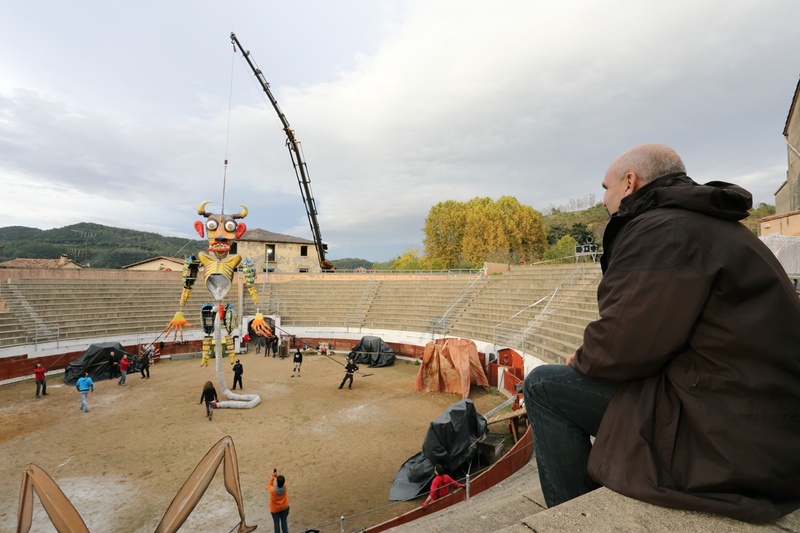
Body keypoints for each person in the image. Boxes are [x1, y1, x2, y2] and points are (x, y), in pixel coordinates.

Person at [523, 143, 800, 524]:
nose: (604, 199)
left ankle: (576, 521)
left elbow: (623, 346)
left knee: (543, 387)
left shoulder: (663, 229)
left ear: (630, 183)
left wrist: (585, 357)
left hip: (731, 431)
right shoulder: (709, 223)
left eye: (606, 187)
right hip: (765, 417)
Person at [267, 469, 289, 533]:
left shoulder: (273, 490)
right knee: (284, 523)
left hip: (275, 510)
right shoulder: (286, 486)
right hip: (284, 508)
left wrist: (273, 476)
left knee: (276, 525)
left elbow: (269, 485)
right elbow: (284, 482)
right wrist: (277, 475)